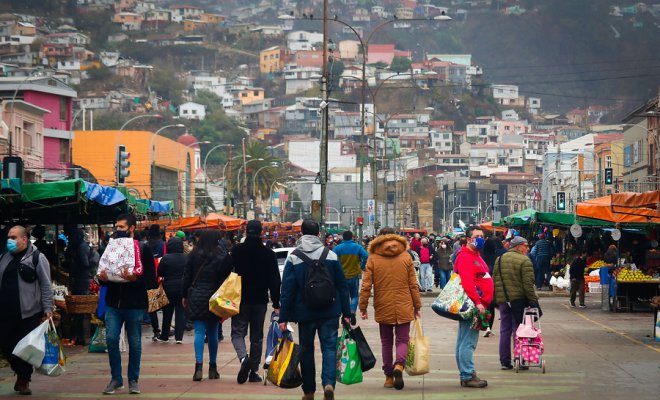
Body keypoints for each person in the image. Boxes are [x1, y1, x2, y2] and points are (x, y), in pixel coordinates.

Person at [279, 219, 351, 400]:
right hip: (330, 311)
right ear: (319, 234)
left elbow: (287, 290)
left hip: (305, 313)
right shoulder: (331, 255)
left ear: (301, 234)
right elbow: (342, 286)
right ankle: (328, 383)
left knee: (307, 351)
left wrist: (283, 317)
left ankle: (309, 391)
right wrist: (347, 313)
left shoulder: (294, 256)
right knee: (329, 348)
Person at [99, 214, 158, 395]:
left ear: (132, 228)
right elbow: (104, 272)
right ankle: (116, 378)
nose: (118, 230)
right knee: (110, 339)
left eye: (122, 227)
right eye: (117, 226)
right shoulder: (110, 247)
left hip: (134, 304)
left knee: (135, 343)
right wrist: (103, 280)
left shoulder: (142, 248)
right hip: (113, 304)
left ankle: (133, 379)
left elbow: (151, 280)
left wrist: (134, 279)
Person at [359, 228, 421, 390]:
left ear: (379, 238)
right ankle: (399, 366)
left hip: (382, 304)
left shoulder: (372, 258)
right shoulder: (406, 256)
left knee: (386, 342)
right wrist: (417, 305)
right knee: (402, 340)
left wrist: (363, 306)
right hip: (404, 303)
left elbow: (366, 285)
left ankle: (388, 377)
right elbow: (413, 284)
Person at [224, 220, 281, 384]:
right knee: (257, 337)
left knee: (237, 333)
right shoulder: (268, 254)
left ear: (246, 232)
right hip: (260, 301)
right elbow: (275, 281)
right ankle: (253, 371)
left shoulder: (236, 251)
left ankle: (243, 359)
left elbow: (223, 270)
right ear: (261, 232)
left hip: (240, 299)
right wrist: (276, 304)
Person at [0, 225, 53, 395]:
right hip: (6, 311)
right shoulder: (4, 258)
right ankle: (19, 372)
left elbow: (46, 284)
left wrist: (48, 308)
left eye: (14, 237)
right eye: (9, 237)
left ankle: (23, 379)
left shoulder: (37, 257)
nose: (10, 240)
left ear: (24, 239)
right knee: (7, 345)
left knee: (25, 347)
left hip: (29, 312)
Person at [182, 230, 230, 382]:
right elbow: (226, 278)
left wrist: (184, 295)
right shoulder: (221, 256)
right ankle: (213, 368)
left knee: (198, 332)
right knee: (213, 333)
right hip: (214, 297)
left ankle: (198, 367)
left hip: (196, 295)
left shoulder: (193, 254)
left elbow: (187, 276)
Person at [453, 226, 493, 388]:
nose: (480, 238)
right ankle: (468, 374)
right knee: (468, 341)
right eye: (477, 236)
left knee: (464, 339)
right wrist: (477, 302)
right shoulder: (465, 257)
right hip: (472, 304)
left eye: (482, 235)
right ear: (469, 239)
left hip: (476, 303)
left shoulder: (475, 255)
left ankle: (466, 373)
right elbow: (467, 282)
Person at [492, 236, 539, 370]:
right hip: (518, 301)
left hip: (503, 301)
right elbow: (528, 284)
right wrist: (533, 301)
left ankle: (505, 362)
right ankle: (520, 358)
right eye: (526, 245)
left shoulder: (499, 259)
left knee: (504, 330)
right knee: (518, 330)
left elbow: (495, 280)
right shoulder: (525, 260)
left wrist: (497, 299)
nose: (528, 248)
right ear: (518, 246)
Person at [156, 236, 188, 343]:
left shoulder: (166, 258)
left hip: (168, 287)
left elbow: (160, 272)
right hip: (182, 287)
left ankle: (164, 335)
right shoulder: (186, 257)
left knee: (167, 312)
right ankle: (179, 337)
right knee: (180, 312)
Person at [333, 230, 369, 318]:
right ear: (352, 237)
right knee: (354, 296)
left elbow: (332, 260)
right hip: (354, 276)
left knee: (343, 295)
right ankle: (352, 311)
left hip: (341, 277)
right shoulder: (358, 247)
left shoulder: (337, 248)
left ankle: (345, 315)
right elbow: (366, 256)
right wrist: (362, 266)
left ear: (343, 238)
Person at [147, 224, 165, 341]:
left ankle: (156, 330)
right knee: (165, 305)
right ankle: (165, 330)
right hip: (161, 277)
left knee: (152, 305)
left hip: (149, 278)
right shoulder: (163, 244)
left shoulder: (146, 245)